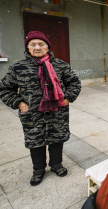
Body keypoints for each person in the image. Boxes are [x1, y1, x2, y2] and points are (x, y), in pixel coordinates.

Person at [0, 31, 81, 186]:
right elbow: (4, 89)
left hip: (57, 113)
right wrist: (19, 103)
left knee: (57, 139)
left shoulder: (60, 65)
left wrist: (67, 98)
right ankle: (38, 170)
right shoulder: (18, 68)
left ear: (47, 47)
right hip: (32, 114)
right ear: (28, 48)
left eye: (41, 44)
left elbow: (75, 83)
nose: (37, 47)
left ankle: (56, 164)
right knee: (35, 142)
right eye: (33, 44)